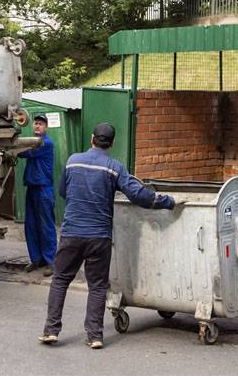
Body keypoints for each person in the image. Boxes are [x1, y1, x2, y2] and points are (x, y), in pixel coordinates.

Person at [38, 123, 176, 349]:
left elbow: (63, 191)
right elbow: (139, 195)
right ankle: (95, 336)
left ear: (92, 138)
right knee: (98, 286)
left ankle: (51, 330)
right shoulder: (114, 167)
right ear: (111, 143)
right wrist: (167, 202)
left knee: (61, 279)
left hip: (72, 233)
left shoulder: (73, 161)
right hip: (99, 237)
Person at [18, 114, 57, 277]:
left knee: (46, 225)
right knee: (31, 225)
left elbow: (24, 153)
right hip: (32, 188)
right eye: (35, 124)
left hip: (44, 189)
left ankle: (51, 261)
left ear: (46, 127)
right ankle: (36, 259)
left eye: (40, 124)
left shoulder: (45, 143)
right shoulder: (32, 142)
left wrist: (11, 143)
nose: (37, 127)